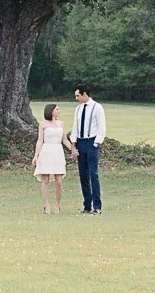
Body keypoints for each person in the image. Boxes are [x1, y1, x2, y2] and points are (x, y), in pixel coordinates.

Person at [70, 85, 105, 213]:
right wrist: (74, 144)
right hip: (81, 142)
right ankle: (87, 205)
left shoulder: (97, 107)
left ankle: (97, 206)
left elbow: (101, 127)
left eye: (78, 95)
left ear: (85, 94)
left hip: (91, 142)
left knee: (93, 174)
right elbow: (75, 127)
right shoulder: (78, 109)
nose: (76, 98)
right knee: (83, 175)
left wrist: (96, 143)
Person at [31, 104, 72, 213]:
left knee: (59, 181)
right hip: (46, 151)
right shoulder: (43, 124)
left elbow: (65, 140)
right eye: (57, 109)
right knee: (45, 180)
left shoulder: (61, 124)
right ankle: (46, 205)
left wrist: (73, 150)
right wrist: (36, 156)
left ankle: (57, 205)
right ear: (51, 111)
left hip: (57, 151)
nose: (59, 111)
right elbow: (40, 141)